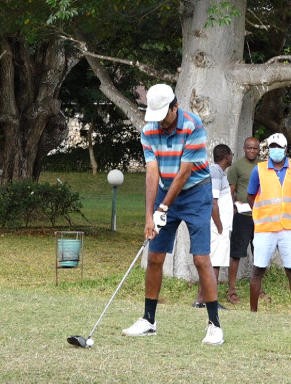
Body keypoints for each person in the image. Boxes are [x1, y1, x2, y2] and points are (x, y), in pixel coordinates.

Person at [121, 84, 224, 345]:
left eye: (165, 116)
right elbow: (152, 173)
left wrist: (163, 208)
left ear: (175, 107)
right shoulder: (149, 130)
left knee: (201, 259)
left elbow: (184, 172)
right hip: (165, 192)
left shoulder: (193, 125)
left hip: (195, 194)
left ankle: (214, 326)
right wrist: (149, 216)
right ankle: (148, 320)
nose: (162, 124)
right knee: (154, 256)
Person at [247, 133, 291, 316]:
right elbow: (251, 195)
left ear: (285, 149)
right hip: (265, 228)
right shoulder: (259, 170)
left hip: (288, 228)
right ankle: (253, 312)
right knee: (258, 270)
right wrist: (261, 213)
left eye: (278, 147)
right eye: (272, 146)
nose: (275, 150)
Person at [193, 144, 234, 309]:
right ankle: (211, 301)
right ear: (226, 157)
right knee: (214, 264)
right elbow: (213, 202)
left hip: (218, 225)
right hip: (217, 226)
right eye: (231, 154)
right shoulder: (216, 172)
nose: (232, 157)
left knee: (210, 263)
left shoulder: (218, 172)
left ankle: (200, 300)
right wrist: (219, 226)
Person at [225, 137, 265, 305]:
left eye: (255, 148)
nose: (252, 151)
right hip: (242, 217)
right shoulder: (236, 167)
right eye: (249, 148)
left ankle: (258, 288)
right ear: (244, 148)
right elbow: (230, 192)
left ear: (258, 150)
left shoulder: (264, 167)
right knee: (236, 254)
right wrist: (234, 205)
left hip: (261, 216)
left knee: (260, 254)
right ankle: (231, 290)